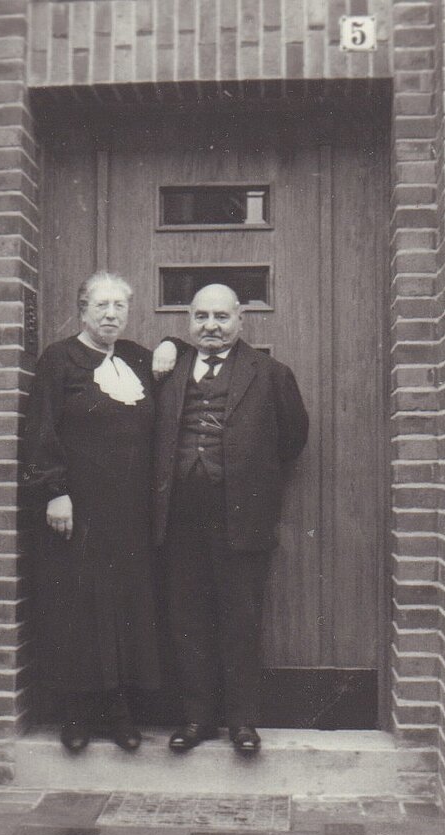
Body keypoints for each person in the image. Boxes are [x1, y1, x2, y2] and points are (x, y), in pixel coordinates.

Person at [152, 284, 309, 754]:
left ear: (241, 319)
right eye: (201, 316)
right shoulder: (167, 368)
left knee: (241, 620)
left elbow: (293, 438)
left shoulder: (271, 374)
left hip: (240, 518)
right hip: (178, 519)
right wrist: (166, 344)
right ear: (188, 321)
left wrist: (246, 475)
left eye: (222, 316)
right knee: (187, 620)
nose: (212, 326)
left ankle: (243, 723)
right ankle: (197, 720)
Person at [24, 271, 175, 753]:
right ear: (82, 309)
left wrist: (171, 341)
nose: (111, 315)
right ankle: (75, 714)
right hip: (76, 511)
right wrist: (55, 490)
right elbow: (41, 427)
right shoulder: (59, 359)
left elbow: (186, 357)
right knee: (79, 609)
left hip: (128, 512)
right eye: (101, 306)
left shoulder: (135, 357)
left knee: (124, 609)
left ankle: (118, 713)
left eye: (119, 307)